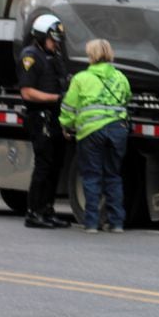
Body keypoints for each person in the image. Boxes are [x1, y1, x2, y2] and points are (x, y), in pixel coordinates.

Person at [60, 39, 132, 234]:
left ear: (91, 55)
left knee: (92, 177)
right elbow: (127, 97)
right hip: (117, 130)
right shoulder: (120, 77)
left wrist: (66, 125)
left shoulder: (81, 79)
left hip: (92, 132)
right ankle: (116, 223)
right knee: (113, 176)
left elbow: (69, 106)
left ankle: (91, 222)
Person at [18, 14, 71, 229]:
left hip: (55, 117)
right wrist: (56, 98)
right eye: (52, 39)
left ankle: (47, 210)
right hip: (40, 117)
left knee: (56, 165)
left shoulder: (54, 55)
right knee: (43, 165)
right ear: (40, 37)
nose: (55, 43)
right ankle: (33, 212)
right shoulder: (30, 57)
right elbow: (27, 93)